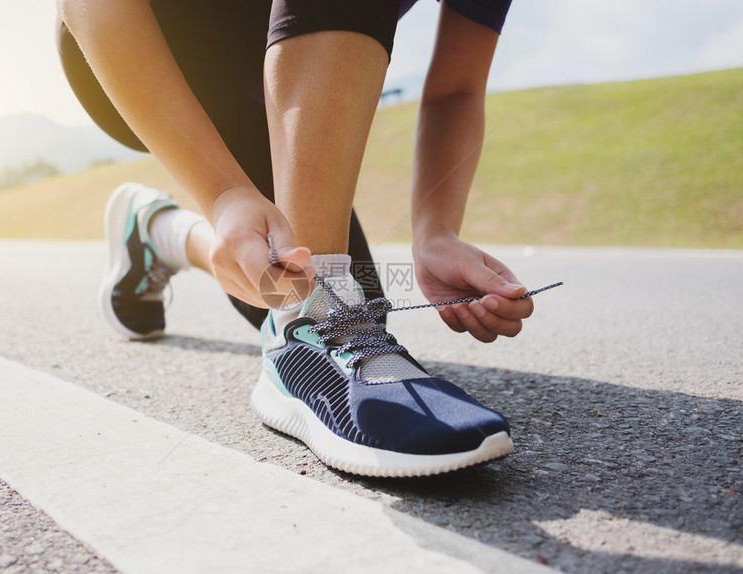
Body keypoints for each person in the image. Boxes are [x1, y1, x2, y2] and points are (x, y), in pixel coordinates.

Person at [56, 0, 533, 477]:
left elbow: (455, 89)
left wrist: (436, 231)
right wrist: (223, 194)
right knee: (316, 305)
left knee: (338, 297)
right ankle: (296, 335)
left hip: (290, 81)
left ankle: (156, 230)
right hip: (150, 43)